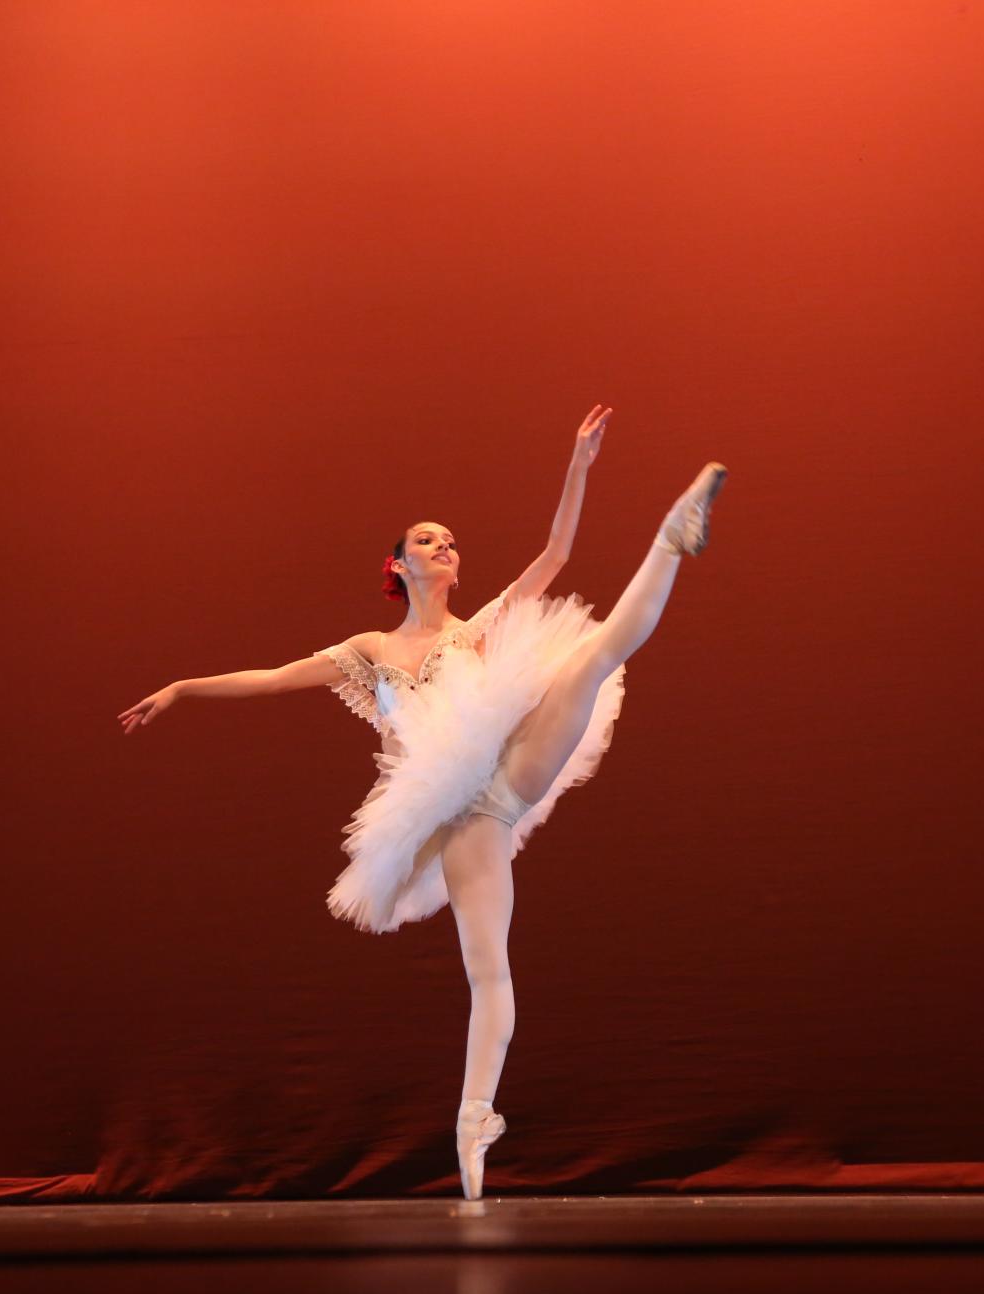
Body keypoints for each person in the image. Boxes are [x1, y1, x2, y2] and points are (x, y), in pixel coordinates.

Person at [118, 405, 726, 1199]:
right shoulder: (369, 652)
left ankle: (671, 536)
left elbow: (555, 554)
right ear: (399, 564)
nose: (445, 545)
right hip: (461, 814)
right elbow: (271, 679)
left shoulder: (475, 631)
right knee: (488, 968)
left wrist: (578, 465)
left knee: (595, 653)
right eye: (428, 540)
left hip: (509, 769)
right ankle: (474, 1120)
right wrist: (181, 687)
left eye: (451, 541)